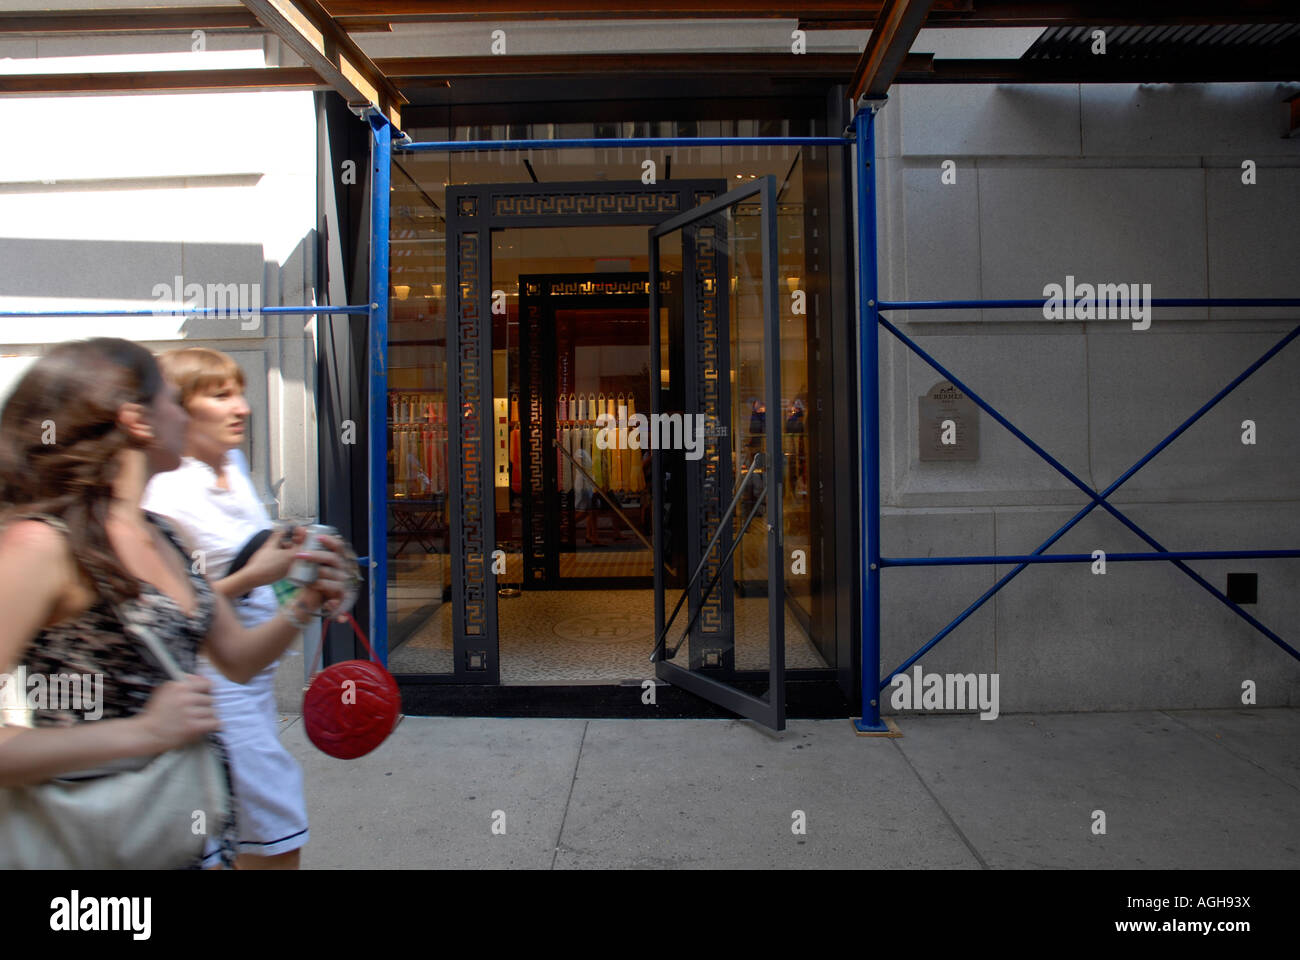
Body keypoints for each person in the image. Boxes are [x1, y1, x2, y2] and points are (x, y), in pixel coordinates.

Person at [0, 338, 355, 869]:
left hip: (181, 837)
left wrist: (305, 601)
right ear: (136, 420)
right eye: (171, 401)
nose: (183, 415)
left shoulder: (161, 534)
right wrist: (142, 732)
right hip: (96, 848)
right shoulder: (42, 545)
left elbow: (237, 658)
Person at [141, 347, 318, 870]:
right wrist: (252, 577)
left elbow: (249, 552)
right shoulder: (164, 495)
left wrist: (296, 556)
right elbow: (165, 610)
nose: (241, 407)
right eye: (220, 396)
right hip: (216, 690)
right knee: (275, 836)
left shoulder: (234, 461)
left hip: (252, 681)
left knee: (252, 839)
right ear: (175, 410)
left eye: (239, 392)